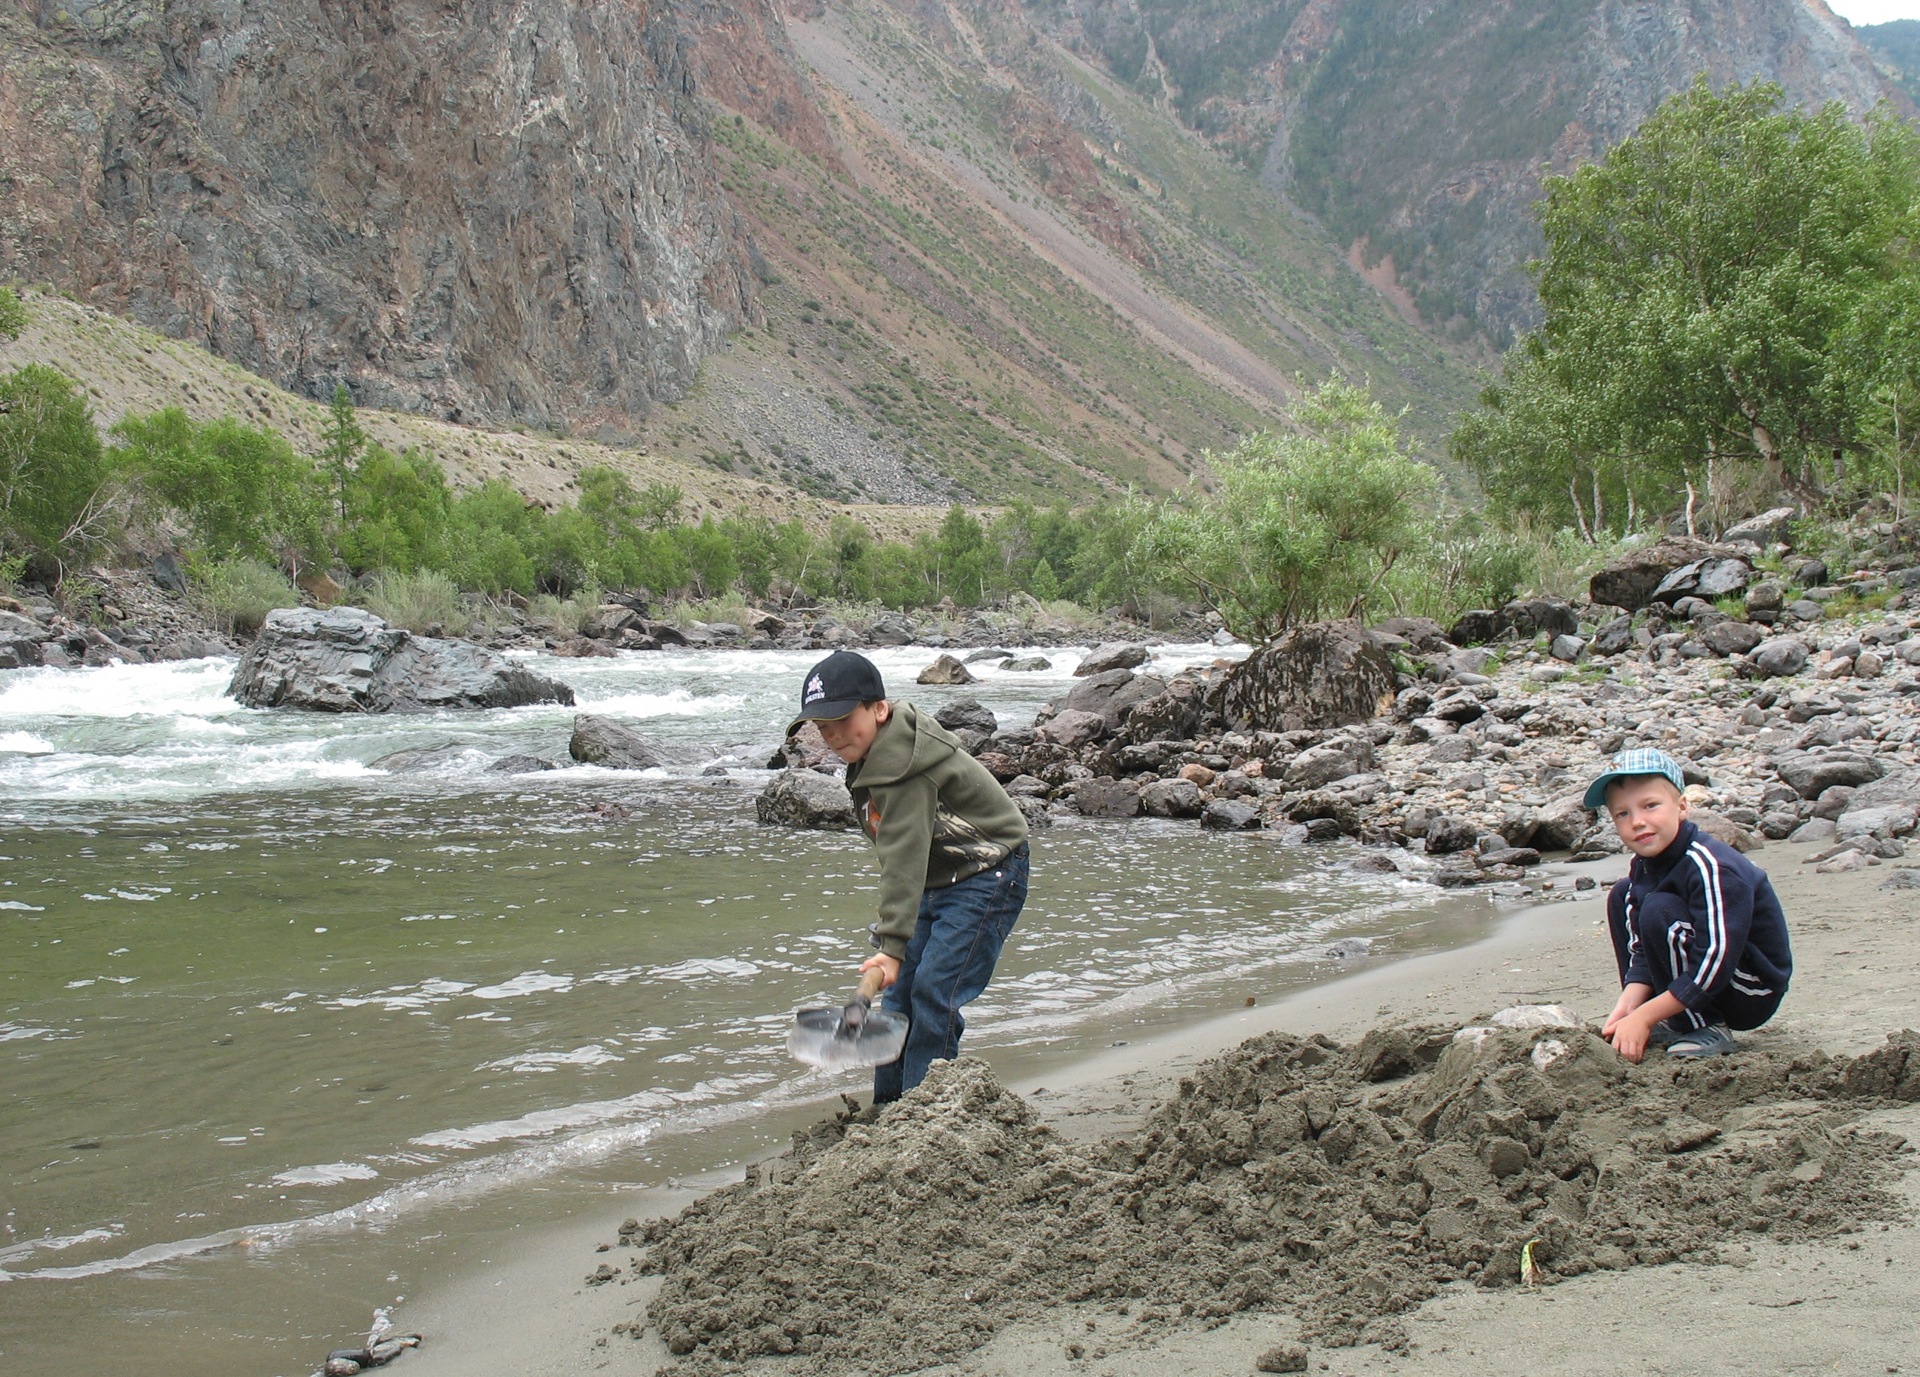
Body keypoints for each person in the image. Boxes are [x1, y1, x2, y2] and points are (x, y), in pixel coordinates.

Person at [789, 650, 1030, 1103]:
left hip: (989, 872)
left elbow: (901, 856)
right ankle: (888, 1109)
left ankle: (925, 1112)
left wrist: (892, 945)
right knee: (898, 1000)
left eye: (843, 718)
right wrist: (891, 948)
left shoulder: (904, 768)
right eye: (822, 728)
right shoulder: (873, 752)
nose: (834, 735)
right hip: (937, 876)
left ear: (879, 708)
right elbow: (901, 857)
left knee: (935, 991)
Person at [1587, 747, 1792, 1063]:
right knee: (1623, 895)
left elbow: (1716, 958)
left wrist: (1643, 1018)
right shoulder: (1643, 866)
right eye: (1623, 814)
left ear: (1681, 807)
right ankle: (1673, 1016)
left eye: (1650, 806)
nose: (1637, 822)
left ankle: (1704, 1024)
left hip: (1749, 989)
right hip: (1706, 977)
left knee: (1659, 909)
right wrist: (1629, 1008)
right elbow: (1643, 950)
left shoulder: (1711, 865)